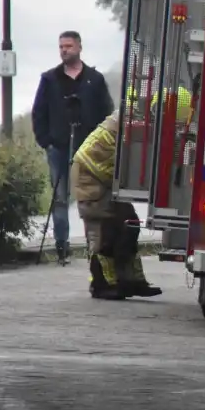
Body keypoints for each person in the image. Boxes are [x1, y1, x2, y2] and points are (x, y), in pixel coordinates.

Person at [31, 31, 115, 264]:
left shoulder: (94, 80)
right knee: (60, 198)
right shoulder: (49, 79)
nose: (64, 50)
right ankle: (62, 248)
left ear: (79, 47)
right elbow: (39, 112)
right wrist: (46, 141)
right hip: (58, 147)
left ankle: (96, 247)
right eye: (61, 46)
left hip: (88, 151)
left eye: (68, 45)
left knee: (92, 198)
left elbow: (107, 113)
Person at [71, 110, 163, 300]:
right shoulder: (131, 126)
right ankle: (102, 284)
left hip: (104, 178)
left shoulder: (132, 122)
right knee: (104, 232)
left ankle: (131, 280)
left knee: (130, 224)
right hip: (90, 177)